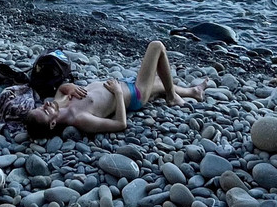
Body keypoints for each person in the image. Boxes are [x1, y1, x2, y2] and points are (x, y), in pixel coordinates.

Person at [25, 41, 207, 136]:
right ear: (53, 123)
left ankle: (193, 92)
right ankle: (172, 98)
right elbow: (120, 124)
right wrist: (119, 94)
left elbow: (63, 88)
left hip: (125, 84)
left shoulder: (58, 102)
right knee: (156, 47)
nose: (45, 105)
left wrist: (69, 87)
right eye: (45, 111)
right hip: (135, 94)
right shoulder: (80, 119)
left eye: (41, 107)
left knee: (159, 82)